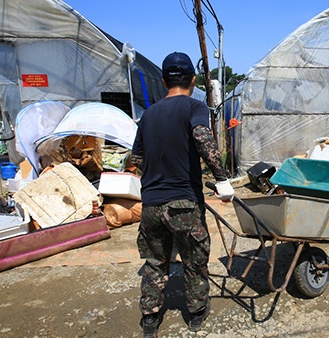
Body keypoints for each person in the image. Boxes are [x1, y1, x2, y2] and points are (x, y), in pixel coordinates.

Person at [131, 51, 235, 337]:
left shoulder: (148, 115)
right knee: (194, 259)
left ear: (164, 81)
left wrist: (157, 173)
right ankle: (196, 313)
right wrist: (221, 178)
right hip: (183, 204)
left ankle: (150, 318)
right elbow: (202, 137)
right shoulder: (194, 107)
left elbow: (136, 158)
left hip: (151, 205)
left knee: (155, 262)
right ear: (192, 79)